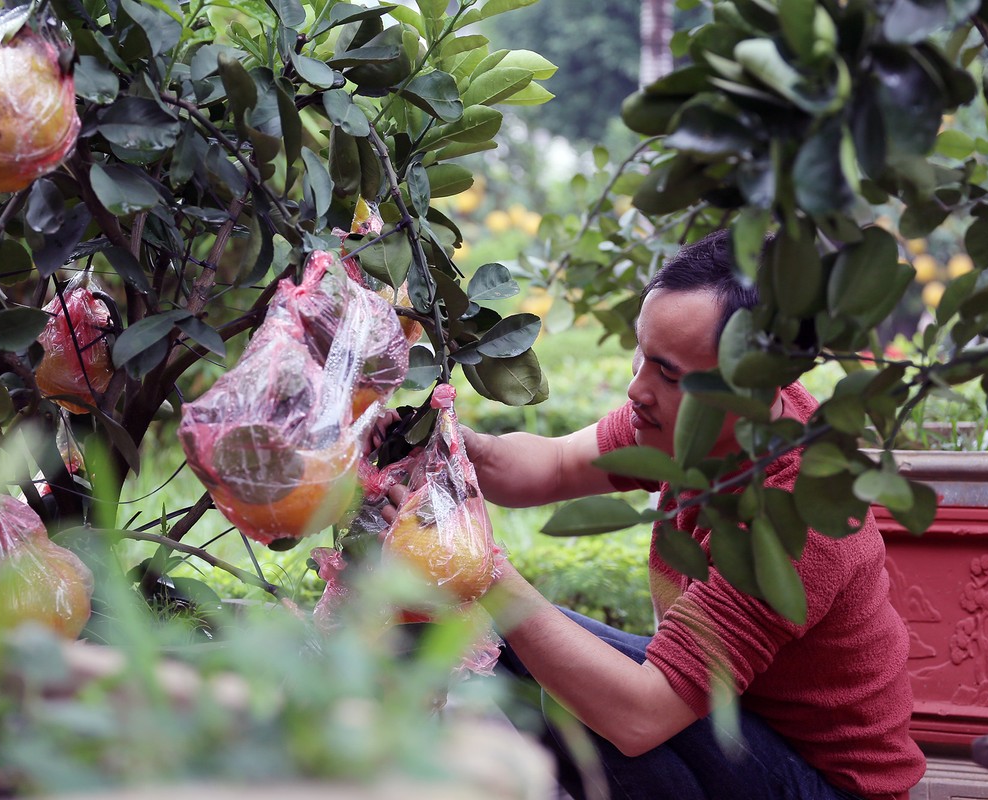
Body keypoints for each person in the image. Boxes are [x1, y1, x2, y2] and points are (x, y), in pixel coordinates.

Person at [378, 230, 926, 800]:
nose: (636, 389)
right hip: (738, 733)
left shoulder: (798, 513)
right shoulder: (693, 428)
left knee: (591, 703)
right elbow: (559, 464)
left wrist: (482, 569)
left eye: (668, 374)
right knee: (522, 649)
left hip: (825, 787)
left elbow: (642, 716)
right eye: (642, 358)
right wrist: (456, 450)